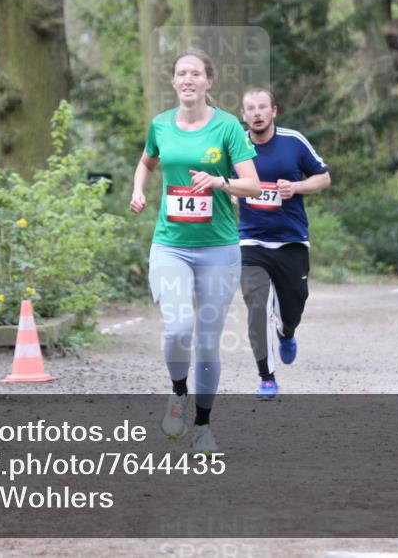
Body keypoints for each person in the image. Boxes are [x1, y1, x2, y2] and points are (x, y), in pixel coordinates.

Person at [130, 48, 261, 454]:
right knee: (179, 328)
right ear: (174, 82)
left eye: (195, 74)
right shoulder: (160, 125)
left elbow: (253, 186)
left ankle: (203, 425)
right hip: (171, 245)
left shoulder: (227, 128)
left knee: (207, 342)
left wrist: (220, 183)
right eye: (181, 73)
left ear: (208, 82)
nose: (188, 79)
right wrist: (137, 189)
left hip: (218, 248)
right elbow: (147, 162)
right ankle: (177, 393)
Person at [236, 88, 330, 400]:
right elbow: (223, 182)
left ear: (274, 111)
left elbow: (323, 177)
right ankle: (266, 375)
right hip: (250, 240)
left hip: (291, 240)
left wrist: (297, 187)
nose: (257, 113)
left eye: (263, 107)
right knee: (256, 306)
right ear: (244, 114)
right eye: (251, 108)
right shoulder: (236, 144)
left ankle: (286, 331)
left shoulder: (293, 141)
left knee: (293, 307)